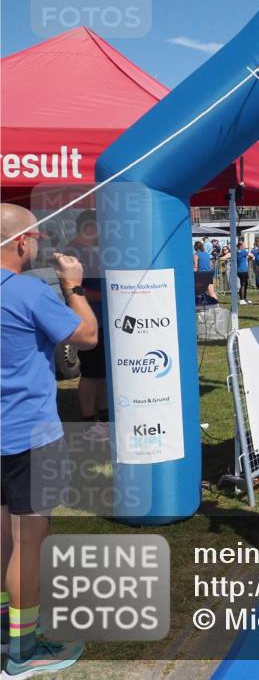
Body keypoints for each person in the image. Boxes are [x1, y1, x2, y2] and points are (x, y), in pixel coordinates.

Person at [2, 203, 99, 677]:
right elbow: (87, 335)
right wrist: (73, 284)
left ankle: (7, 625)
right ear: (22, 242)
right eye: (37, 238)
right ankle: (24, 651)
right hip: (29, 433)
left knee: (5, 536)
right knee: (31, 541)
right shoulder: (27, 292)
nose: (39, 245)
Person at [62, 210, 109, 442]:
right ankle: (90, 422)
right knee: (91, 373)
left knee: (102, 372)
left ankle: (104, 418)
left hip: (101, 321)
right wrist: (108, 295)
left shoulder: (91, 251)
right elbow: (73, 290)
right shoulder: (73, 252)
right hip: (88, 321)